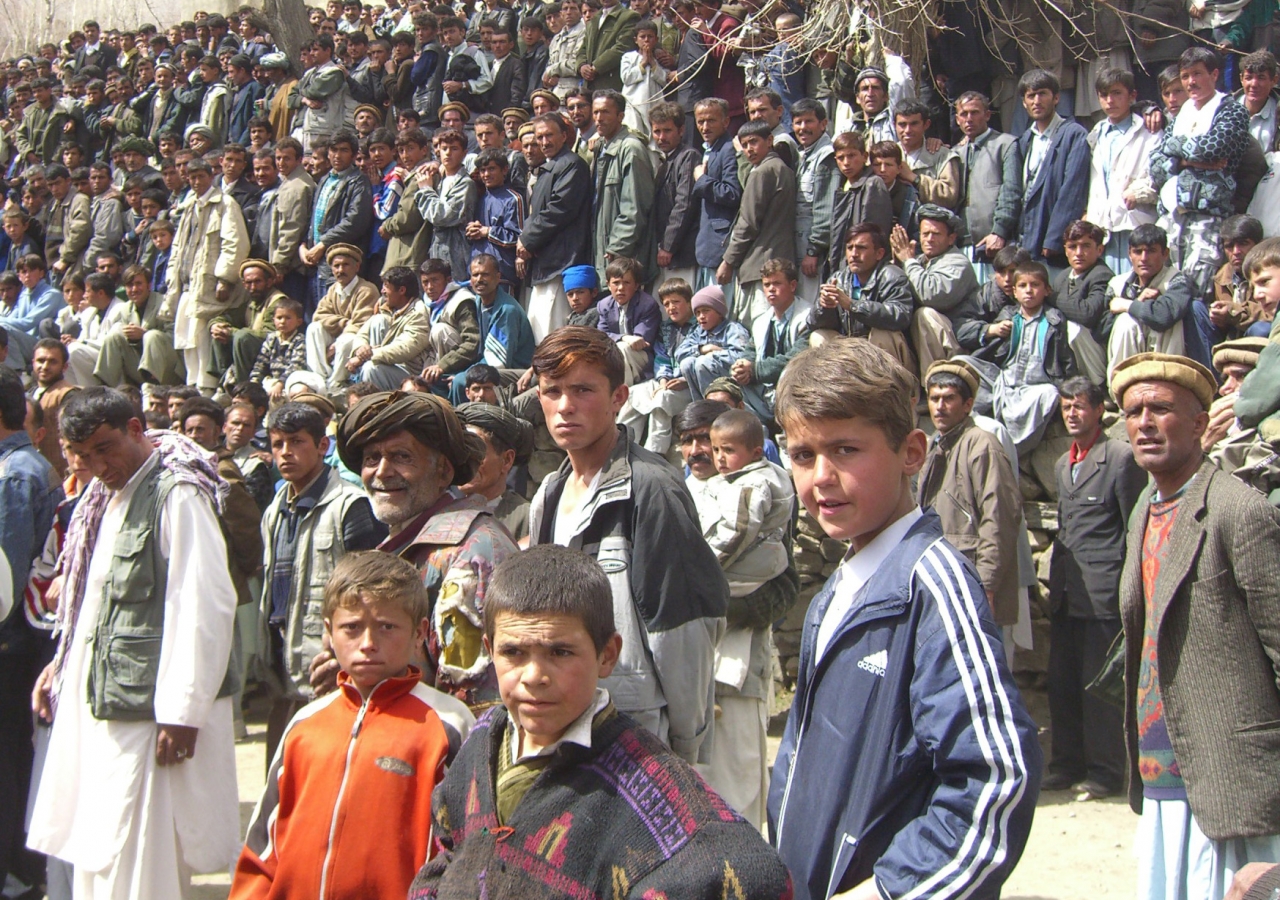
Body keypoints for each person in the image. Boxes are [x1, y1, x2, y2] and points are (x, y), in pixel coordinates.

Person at [766, 340, 1040, 900]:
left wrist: (889, 891)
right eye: (802, 455)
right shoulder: (835, 592)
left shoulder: (933, 587)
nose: (821, 476)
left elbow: (996, 778)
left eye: (846, 450)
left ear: (911, 452)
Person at [407, 545, 791, 897]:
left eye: (560, 652)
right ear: (490, 651)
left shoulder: (647, 783)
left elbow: (748, 875)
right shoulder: (483, 740)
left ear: (607, 655)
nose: (534, 675)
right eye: (514, 652)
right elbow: (448, 850)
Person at [27, 388, 240, 898]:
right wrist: (61, 666)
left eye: (106, 448)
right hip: (102, 702)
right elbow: (97, 603)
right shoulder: (105, 497)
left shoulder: (177, 493)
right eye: (83, 456)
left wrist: (182, 712)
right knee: (99, 845)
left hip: (149, 716)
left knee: (141, 857)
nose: (98, 464)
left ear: (136, 430)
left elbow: (202, 604)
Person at [1110, 351, 1280, 900]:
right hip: (1163, 773)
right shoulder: (1143, 511)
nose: (1145, 423)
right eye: (1135, 411)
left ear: (1202, 423)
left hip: (1230, 779)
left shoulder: (1238, 510)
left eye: (1162, 409)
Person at [527, 326, 727, 764]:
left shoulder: (652, 489)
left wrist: (686, 746)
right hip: (563, 723)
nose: (565, 406)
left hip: (633, 736)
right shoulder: (548, 494)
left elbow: (682, 631)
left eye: (583, 390)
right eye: (552, 391)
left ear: (619, 397)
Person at [229, 552, 474, 900]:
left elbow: (466, 850)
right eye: (352, 628)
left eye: (387, 627)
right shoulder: (305, 725)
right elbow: (263, 845)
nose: (368, 643)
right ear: (329, 631)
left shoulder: (449, 725)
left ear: (419, 633)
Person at [326, 389, 520, 707]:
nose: (382, 471)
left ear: (443, 471)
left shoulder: (472, 554)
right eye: (371, 458)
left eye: (402, 456)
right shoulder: (405, 546)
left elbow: (472, 704)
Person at [258, 402, 387, 762]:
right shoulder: (274, 511)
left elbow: (368, 591)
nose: (285, 453)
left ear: (321, 447)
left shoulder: (351, 506)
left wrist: (341, 651)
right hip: (283, 656)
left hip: (328, 659)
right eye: (278, 443)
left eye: (296, 442)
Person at [1046, 376, 1146, 801]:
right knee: (1063, 685)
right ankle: (1067, 764)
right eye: (1066, 405)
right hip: (1068, 594)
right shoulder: (1060, 463)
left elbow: (1133, 528)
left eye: (1080, 405)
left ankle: (1107, 772)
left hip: (1104, 595)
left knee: (1099, 689)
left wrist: (1129, 591)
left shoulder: (1121, 459)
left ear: (1099, 410)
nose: (1072, 413)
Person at [0, 367, 61, 896]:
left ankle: (16, 872)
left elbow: (5, 579)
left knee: (9, 761)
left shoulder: (14, 475)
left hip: (12, 642)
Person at [918, 359, 1024, 638]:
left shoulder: (982, 444)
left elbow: (1000, 516)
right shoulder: (933, 445)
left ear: (967, 405)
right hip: (944, 579)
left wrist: (987, 583)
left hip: (974, 581)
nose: (939, 406)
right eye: (934, 398)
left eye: (949, 398)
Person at [1150, 48, 1251, 297]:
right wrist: (1185, 162)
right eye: (1185, 76)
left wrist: (1177, 153)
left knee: (1197, 292)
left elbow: (1213, 148)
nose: (1190, 82)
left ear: (1214, 74)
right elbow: (1155, 165)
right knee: (1166, 290)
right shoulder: (1182, 113)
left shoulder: (1230, 109)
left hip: (1207, 218)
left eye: (1197, 74)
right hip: (1172, 215)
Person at [964, 261, 1078, 453]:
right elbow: (994, 353)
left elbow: (1064, 359)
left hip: (1036, 386)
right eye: (1023, 286)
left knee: (1050, 394)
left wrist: (1070, 390)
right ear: (1014, 292)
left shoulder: (1054, 320)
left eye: (1035, 285)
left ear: (1047, 290)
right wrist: (996, 330)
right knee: (963, 364)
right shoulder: (1009, 314)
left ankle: (1015, 448)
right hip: (1003, 381)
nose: (1029, 291)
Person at [165, 157, 249, 393]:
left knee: (202, 338)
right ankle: (192, 386)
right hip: (188, 283)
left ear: (211, 176)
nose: (196, 181)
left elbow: (235, 243)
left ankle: (207, 389)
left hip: (209, 285)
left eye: (201, 176)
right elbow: (178, 247)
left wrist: (225, 278)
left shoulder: (225, 204)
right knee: (187, 340)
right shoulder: (189, 206)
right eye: (192, 177)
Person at [518, 113, 593, 342]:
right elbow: (536, 214)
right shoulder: (548, 168)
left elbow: (560, 209)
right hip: (545, 263)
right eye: (540, 136)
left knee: (554, 332)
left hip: (562, 262)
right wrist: (525, 242)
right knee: (538, 330)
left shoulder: (572, 165)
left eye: (549, 135)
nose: (544, 142)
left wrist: (527, 240)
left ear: (564, 136)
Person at [718, 120, 797, 330]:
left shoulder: (762, 172)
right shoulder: (784, 170)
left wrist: (728, 261)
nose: (749, 149)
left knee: (759, 330)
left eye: (754, 142)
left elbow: (748, 223)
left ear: (769, 140)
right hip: (778, 259)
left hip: (760, 263)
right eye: (744, 145)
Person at [1105, 223, 1202, 383]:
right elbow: (1102, 330)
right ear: (1129, 254)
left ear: (1165, 254)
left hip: (1167, 365)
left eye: (1151, 251)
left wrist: (1129, 305)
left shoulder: (1177, 280)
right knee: (1125, 323)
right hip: (1128, 363)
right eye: (1138, 252)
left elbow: (1163, 317)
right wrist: (1138, 304)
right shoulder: (1118, 283)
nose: (1144, 258)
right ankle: (1122, 388)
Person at [810, 223, 915, 370]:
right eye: (850, 248)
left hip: (886, 356)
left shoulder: (893, 276)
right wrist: (824, 306)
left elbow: (900, 315)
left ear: (879, 253)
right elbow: (812, 323)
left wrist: (852, 305)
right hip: (854, 352)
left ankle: (891, 391)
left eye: (861, 248)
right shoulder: (839, 279)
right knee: (819, 336)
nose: (854, 254)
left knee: (882, 336)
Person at [1085, 68, 1158, 276]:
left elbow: (1159, 174)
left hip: (1133, 221)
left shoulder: (1149, 131)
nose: (1110, 101)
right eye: (1104, 95)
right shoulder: (1096, 133)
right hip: (1102, 225)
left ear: (1132, 96)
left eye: (1117, 93)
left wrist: (1139, 192)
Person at [893, 204, 979, 383]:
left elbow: (931, 295)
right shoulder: (919, 261)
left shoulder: (958, 262)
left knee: (926, 315)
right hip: (920, 346)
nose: (929, 239)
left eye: (936, 234)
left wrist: (908, 262)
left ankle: (934, 386)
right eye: (925, 234)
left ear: (951, 238)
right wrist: (896, 265)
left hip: (956, 346)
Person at [1015, 69, 1091, 268]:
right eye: (1031, 96)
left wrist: (1056, 237)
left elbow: (1073, 190)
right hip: (1027, 234)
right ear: (1024, 102)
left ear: (1056, 97)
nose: (1037, 101)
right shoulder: (1025, 139)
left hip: (1053, 239)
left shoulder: (1073, 134)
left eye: (1042, 94)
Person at [590, 90, 656, 279]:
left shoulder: (631, 149)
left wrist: (618, 247)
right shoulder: (601, 147)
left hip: (622, 256)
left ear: (620, 116)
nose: (599, 118)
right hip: (603, 250)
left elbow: (635, 205)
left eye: (605, 112)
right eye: (595, 112)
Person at [456, 401, 535, 541]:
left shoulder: (527, 519)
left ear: (506, 460)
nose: (465, 460)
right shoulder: (442, 511)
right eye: (461, 450)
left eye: (477, 451)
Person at [349, 266, 433, 389]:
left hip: (409, 372)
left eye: (386, 287)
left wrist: (369, 355)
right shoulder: (386, 307)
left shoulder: (418, 312)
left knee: (371, 369)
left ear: (402, 290)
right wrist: (361, 349)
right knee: (378, 320)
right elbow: (362, 334)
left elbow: (404, 348)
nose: (382, 291)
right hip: (382, 361)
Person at [1054, 220, 1116, 386]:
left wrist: (1054, 297)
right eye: (1072, 247)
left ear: (1099, 249)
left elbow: (1088, 313)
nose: (1079, 253)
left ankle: (1098, 386)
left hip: (1098, 348)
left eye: (1086, 246)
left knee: (1074, 328)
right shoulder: (1063, 276)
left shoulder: (1101, 275)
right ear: (1065, 250)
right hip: (1072, 352)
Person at [676, 285, 754, 400]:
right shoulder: (699, 331)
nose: (701, 317)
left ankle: (715, 406)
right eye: (697, 313)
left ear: (719, 312)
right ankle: (702, 404)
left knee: (703, 362)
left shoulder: (733, 329)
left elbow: (742, 357)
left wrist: (715, 355)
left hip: (733, 383)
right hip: (707, 382)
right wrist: (704, 349)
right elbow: (679, 353)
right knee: (686, 364)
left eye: (706, 311)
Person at [595, 255, 661, 384]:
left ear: (636, 286)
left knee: (623, 349)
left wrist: (623, 341)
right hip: (615, 351)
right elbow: (601, 336)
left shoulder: (647, 305)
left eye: (626, 283)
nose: (620, 288)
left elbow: (640, 342)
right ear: (608, 285)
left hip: (641, 356)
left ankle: (624, 394)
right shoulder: (603, 305)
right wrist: (623, 337)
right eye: (616, 283)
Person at [27, 339, 80, 477]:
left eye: (52, 362)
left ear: (65, 367)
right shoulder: (30, 393)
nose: (45, 366)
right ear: (33, 363)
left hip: (59, 474)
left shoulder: (69, 394)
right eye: (41, 360)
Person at [249, 298, 309, 403]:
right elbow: (261, 363)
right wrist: (253, 384)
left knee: (276, 398)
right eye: (279, 318)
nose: (282, 321)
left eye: (288, 318)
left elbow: (296, 366)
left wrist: (280, 384)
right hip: (271, 380)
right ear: (273, 320)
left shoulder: (300, 340)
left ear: (298, 322)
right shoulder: (271, 338)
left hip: (289, 382)